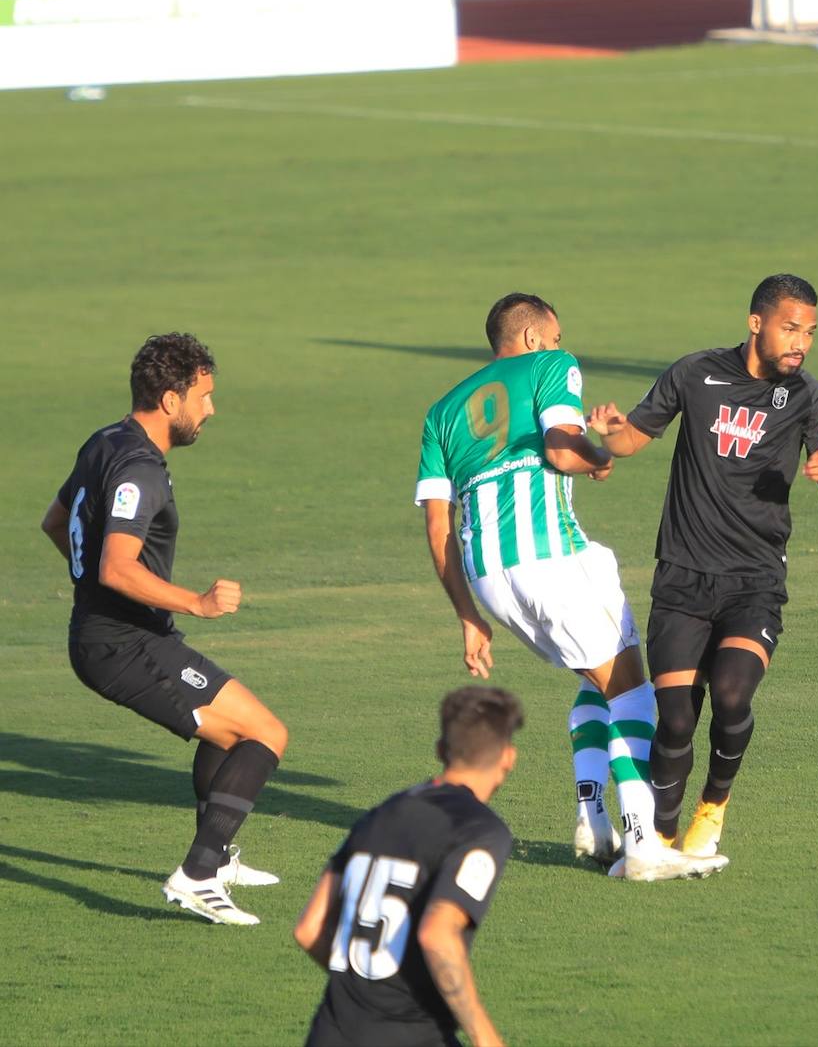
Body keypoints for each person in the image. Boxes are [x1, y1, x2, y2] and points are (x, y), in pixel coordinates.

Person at [414, 293, 727, 882]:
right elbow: (561, 450)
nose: (560, 346)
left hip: (490, 579)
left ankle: (593, 817)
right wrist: (601, 451)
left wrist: (467, 615)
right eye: (555, 337)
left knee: (599, 676)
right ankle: (643, 846)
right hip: (553, 556)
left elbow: (437, 525)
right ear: (533, 339)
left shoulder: (442, 411)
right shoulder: (551, 367)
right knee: (635, 692)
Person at [589, 273, 818, 860]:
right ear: (756, 323)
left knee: (733, 693)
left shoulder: (809, 397)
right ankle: (658, 835)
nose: (801, 343)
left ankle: (713, 805)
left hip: (754, 582)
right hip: (682, 578)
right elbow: (633, 438)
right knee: (677, 720)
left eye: (810, 332)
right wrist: (607, 435)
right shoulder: (695, 373)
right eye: (791, 328)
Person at [39, 333, 287, 925]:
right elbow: (116, 566)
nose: (211, 409)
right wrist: (195, 603)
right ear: (171, 400)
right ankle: (197, 877)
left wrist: (96, 590)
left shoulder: (105, 441)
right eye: (203, 396)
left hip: (117, 634)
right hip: (122, 644)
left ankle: (217, 856)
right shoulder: (141, 469)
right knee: (265, 736)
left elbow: (55, 522)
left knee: (225, 734)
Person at [295, 686, 522, 1047]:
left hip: (330, 1032)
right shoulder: (481, 830)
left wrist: (365, 987)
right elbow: (438, 934)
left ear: (440, 751)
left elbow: (309, 929)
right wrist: (485, 1037)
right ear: (508, 757)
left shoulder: (379, 814)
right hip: (411, 1034)